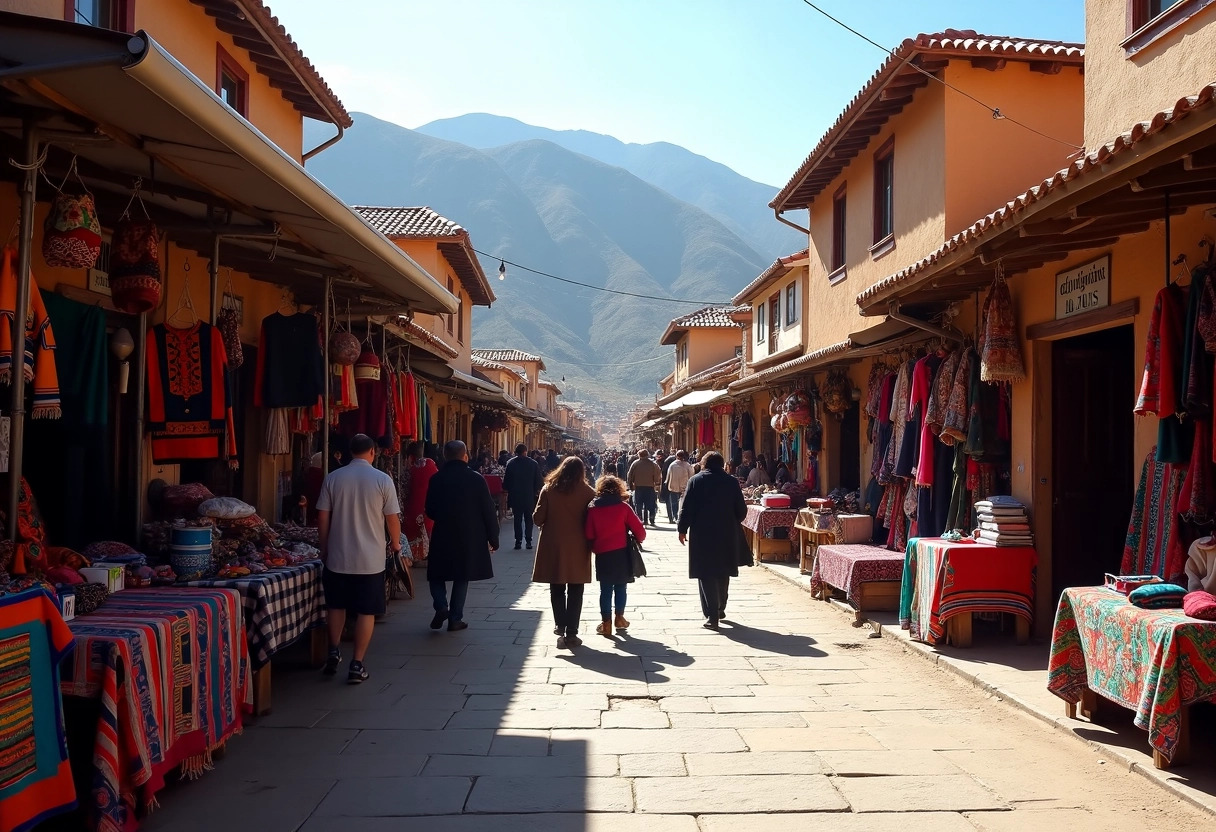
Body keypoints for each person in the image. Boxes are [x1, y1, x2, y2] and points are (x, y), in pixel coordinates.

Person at [316, 433, 403, 684]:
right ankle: (357, 664)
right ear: (373, 452)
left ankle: (333, 650)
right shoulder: (382, 480)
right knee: (366, 611)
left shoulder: (333, 478)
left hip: (338, 556)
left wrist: (324, 547)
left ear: (349, 451)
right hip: (370, 559)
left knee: (336, 605)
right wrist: (396, 544)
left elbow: (323, 517)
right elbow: (392, 518)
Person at [425, 440, 499, 632]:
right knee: (461, 575)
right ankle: (455, 618)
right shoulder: (476, 479)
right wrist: (493, 537)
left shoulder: (436, 479)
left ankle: (441, 606)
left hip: (442, 534)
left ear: (445, 455)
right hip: (469, 536)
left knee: (436, 574)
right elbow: (488, 510)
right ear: (465, 456)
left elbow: (430, 510)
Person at [677, 451, 747, 630]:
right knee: (723, 570)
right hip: (727, 533)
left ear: (704, 464)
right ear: (722, 465)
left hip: (703, 534)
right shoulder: (731, 482)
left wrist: (682, 529)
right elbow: (741, 510)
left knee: (705, 572)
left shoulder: (696, 481)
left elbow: (687, 508)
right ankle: (720, 608)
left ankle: (712, 615)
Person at [532, 456, 596, 649]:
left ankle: (560, 624)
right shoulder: (588, 492)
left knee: (557, 586)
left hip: (553, 545)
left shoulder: (549, 489)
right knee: (576, 589)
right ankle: (572, 632)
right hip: (578, 545)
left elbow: (537, 518)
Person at [585, 475, 645, 637]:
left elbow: (589, 534)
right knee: (620, 586)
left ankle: (606, 624)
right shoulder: (624, 507)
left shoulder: (593, 509)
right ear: (619, 488)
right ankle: (619, 618)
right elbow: (640, 531)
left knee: (605, 589)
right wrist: (639, 539)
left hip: (603, 553)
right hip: (621, 552)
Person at [400, 441, 438, 564]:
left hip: (413, 507)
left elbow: (404, 492)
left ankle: (415, 556)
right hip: (430, 505)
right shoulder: (432, 464)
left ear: (410, 456)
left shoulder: (410, 470)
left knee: (414, 531)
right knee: (428, 530)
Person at [503, 443, 543, 549]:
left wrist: (509, 490)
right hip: (529, 496)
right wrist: (535, 491)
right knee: (529, 519)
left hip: (515, 496)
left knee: (517, 519)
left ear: (516, 452)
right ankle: (529, 541)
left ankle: (518, 541)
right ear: (525, 451)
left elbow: (506, 482)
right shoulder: (533, 464)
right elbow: (539, 481)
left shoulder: (511, 464)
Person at [627, 449, 662, 526]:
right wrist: (657, 484)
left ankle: (640, 519)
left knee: (638, 504)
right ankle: (651, 518)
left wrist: (630, 485)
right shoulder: (653, 464)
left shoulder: (635, 463)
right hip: (650, 487)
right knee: (651, 504)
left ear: (639, 455)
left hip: (638, 487)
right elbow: (658, 474)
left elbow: (630, 475)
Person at [665, 449, 695, 522]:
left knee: (674, 502)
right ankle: (681, 516)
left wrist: (667, 483)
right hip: (684, 487)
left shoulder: (672, 465)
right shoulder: (687, 465)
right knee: (683, 502)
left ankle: (675, 516)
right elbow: (691, 475)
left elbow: (668, 476)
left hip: (673, 486)